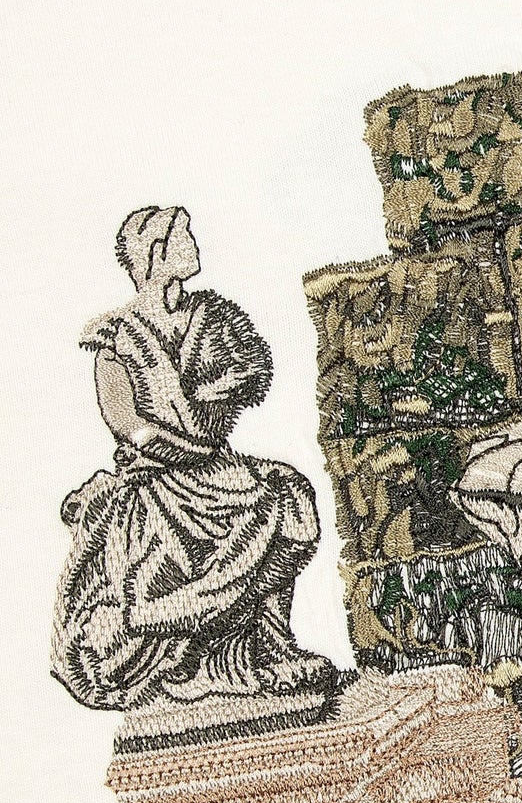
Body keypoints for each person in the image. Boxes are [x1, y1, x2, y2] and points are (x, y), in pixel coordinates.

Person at [52, 207, 335, 718]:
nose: (195, 244)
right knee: (182, 529)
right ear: (157, 253)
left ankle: (267, 647)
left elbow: (246, 382)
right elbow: (129, 425)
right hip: (157, 478)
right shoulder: (114, 336)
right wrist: (189, 451)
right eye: (184, 236)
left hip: (218, 468)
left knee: (290, 497)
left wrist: (221, 405)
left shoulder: (212, 318)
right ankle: (192, 663)